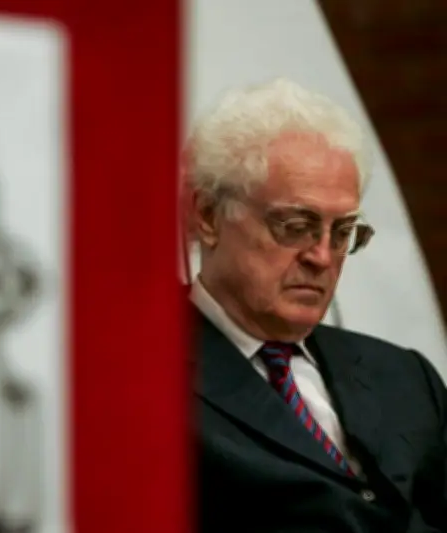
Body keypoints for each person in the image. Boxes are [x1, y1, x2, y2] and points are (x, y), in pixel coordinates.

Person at [183, 78, 447, 533]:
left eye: (342, 232)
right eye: (295, 224)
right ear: (209, 216)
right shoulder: (141, 383)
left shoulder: (404, 376)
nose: (322, 257)